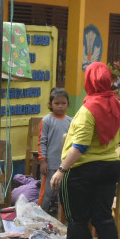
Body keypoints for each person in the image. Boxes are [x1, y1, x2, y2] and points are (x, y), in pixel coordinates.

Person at [49, 62, 120, 239]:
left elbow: (80, 147)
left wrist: (61, 169)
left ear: (89, 82)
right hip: (110, 167)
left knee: (77, 217)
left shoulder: (87, 110)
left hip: (82, 171)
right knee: (103, 214)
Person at [37, 87, 71, 216]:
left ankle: (60, 219)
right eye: (57, 103)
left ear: (68, 104)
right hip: (49, 165)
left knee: (63, 195)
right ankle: (39, 217)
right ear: (51, 104)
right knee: (46, 193)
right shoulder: (46, 120)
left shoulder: (71, 121)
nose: (60, 106)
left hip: (64, 165)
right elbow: (42, 141)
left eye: (63, 103)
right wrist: (43, 161)